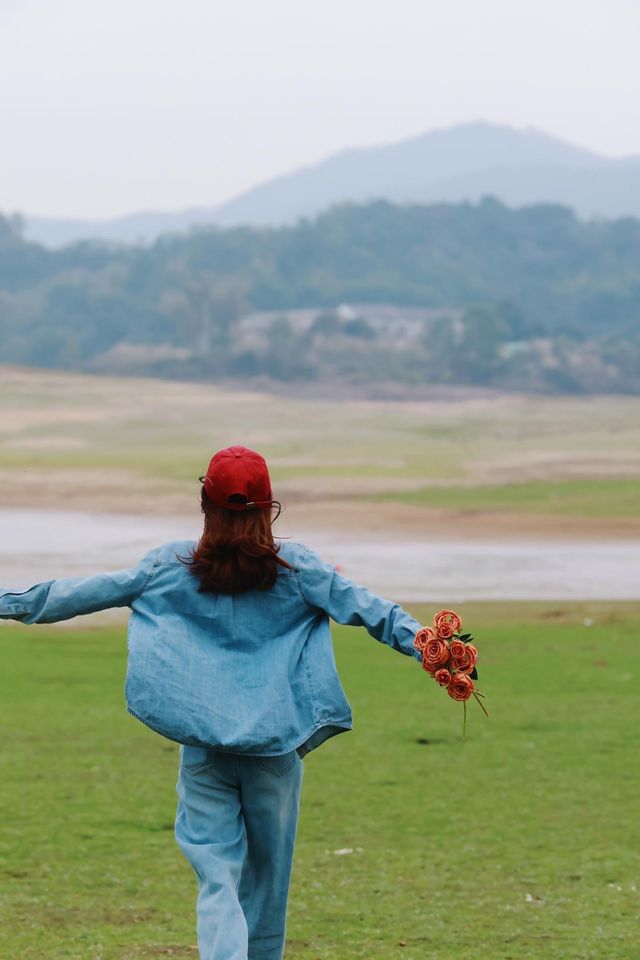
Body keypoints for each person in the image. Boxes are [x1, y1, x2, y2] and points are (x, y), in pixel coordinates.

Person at [0, 445, 424, 960]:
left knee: (217, 883)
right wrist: (432, 647)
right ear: (270, 508)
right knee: (267, 885)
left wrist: (10, 603)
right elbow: (370, 610)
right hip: (274, 753)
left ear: (205, 504)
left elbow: (70, 595)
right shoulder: (300, 568)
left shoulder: (166, 565)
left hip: (203, 754)